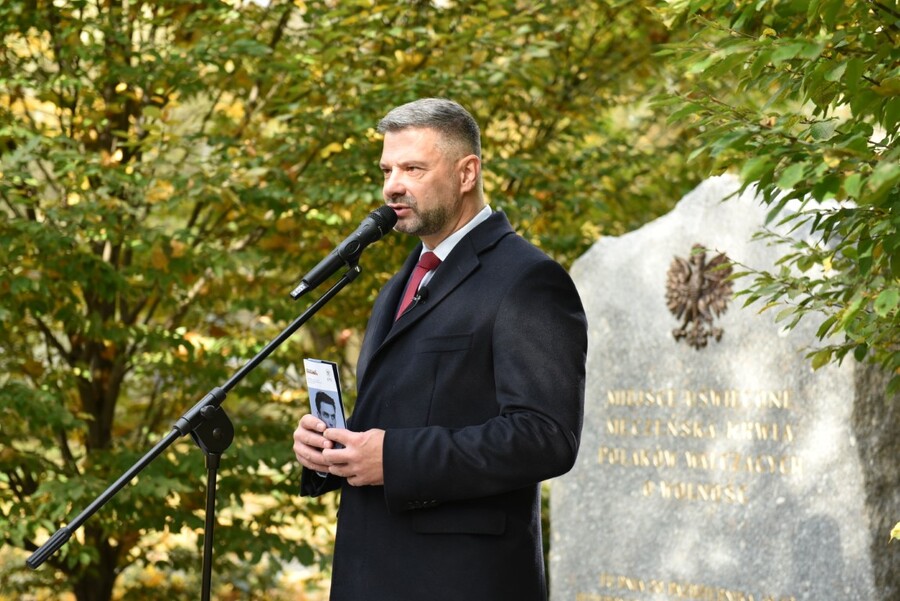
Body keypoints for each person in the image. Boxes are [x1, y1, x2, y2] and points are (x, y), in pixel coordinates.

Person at [292, 98, 587, 601]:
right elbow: (391, 414)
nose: (392, 185)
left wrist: (396, 458)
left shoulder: (528, 279)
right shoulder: (398, 284)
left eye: (412, 168)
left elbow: (546, 435)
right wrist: (329, 451)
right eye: (387, 169)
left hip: (459, 580)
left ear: (466, 172)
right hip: (369, 575)